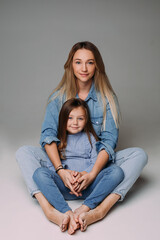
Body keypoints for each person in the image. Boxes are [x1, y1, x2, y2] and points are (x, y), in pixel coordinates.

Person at [16, 41, 148, 233]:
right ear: (70, 65)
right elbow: (48, 136)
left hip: (93, 168)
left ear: (97, 66)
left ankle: (99, 209)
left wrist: (92, 173)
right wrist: (61, 171)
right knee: (24, 153)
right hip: (63, 167)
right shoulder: (58, 97)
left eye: (90, 62)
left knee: (139, 155)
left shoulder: (107, 99)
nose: (84, 68)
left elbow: (109, 142)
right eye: (78, 62)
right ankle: (50, 209)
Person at [33, 98, 124, 234]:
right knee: (39, 173)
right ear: (63, 119)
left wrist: (82, 176)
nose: (75, 123)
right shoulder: (57, 141)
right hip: (64, 186)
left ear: (86, 120)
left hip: (88, 186)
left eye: (80, 119)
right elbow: (52, 167)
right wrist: (67, 175)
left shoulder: (90, 138)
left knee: (116, 172)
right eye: (70, 118)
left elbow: (95, 164)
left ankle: (86, 206)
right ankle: (66, 211)